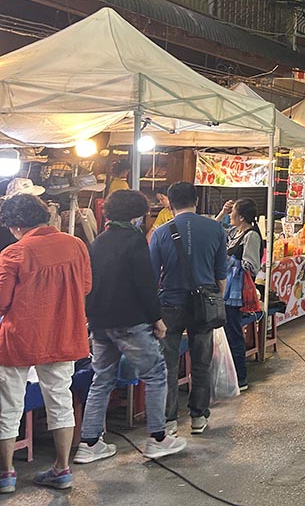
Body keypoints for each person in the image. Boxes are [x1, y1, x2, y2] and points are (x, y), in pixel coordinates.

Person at [76, 190, 188, 465]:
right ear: (137, 216)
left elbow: (90, 284)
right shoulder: (135, 240)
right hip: (130, 322)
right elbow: (144, 283)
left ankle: (89, 443)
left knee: (101, 380)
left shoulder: (98, 242)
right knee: (155, 374)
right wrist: (157, 318)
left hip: (100, 323)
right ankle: (158, 438)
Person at [0, 194, 92, 492]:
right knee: (60, 400)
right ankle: (62, 468)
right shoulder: (75, 245)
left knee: (9, 404)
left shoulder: (14, 253)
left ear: (15, 226)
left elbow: (1, 302)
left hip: (19, 338)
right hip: (64, 333)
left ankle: (6, 474)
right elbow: (86, 287)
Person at [149, 181, 227, 435]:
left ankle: (169, 420)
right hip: (203, 304)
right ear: (196, 200)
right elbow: (221, 276)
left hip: (169, 304)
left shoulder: (160, 232)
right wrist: (216, 299)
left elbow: (152, 277)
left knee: (168, 364)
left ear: (170, 204)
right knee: (201, 361)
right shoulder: (215, 229)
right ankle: (197, 417)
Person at [224, 198, 263, 390]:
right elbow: (216, 231)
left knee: (234, 332)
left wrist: (232, 261)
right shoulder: (236, 231)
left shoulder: (251, 236)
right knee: (228, 330)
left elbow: (252, 265)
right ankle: (231, 374)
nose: (230, 215)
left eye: (233, 212)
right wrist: (221, 212)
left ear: (241, 216)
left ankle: (240, 377)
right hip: (228, 289)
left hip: (236, 292)